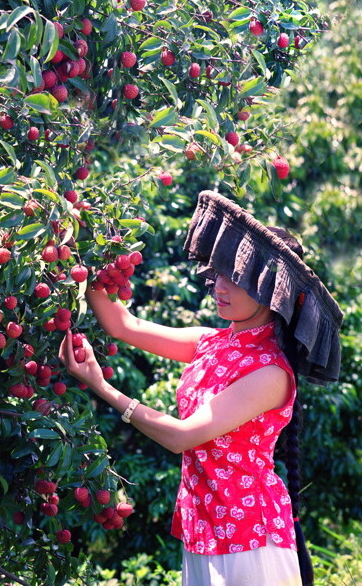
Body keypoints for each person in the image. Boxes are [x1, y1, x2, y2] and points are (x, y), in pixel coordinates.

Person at [58, 190, 343, 586]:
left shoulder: (271, 373)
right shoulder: (210, 342)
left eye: (236, 280)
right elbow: (125, 325)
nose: (219, 286)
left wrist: (102, 387)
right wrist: (78, 249)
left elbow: (182, 437)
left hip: (249, 535)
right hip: (205, 527)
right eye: (220, 273)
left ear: (270, 293)